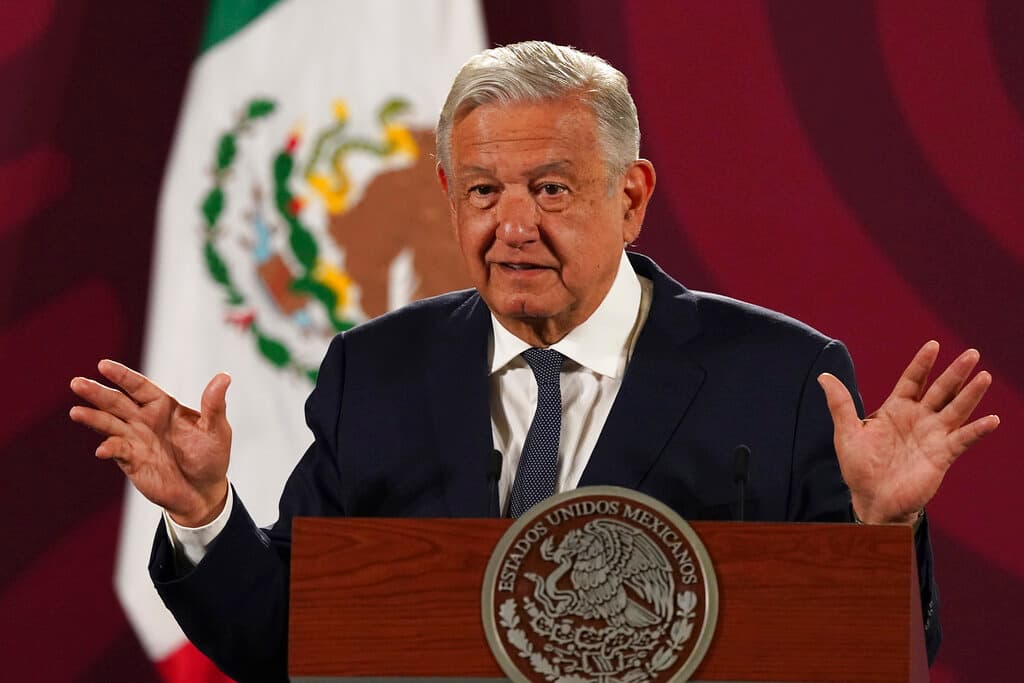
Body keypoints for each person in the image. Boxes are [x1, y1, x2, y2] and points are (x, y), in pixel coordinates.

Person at [69, 41, 998, 682]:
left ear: (630, 197)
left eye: (550, 188)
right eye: (482, 191)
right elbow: (288, 642)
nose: (512, 226)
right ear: (446, 194)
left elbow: (875, 658)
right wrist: (202, 514)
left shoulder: (783, 378)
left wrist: (883, 533)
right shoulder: (376, 372)